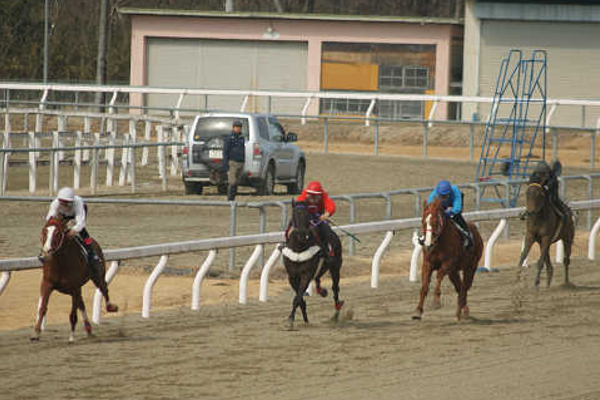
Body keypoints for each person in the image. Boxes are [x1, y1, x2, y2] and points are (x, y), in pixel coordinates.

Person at [43, 187, 102, 280]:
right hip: (62, 216)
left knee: (83, 233)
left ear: (71, 202)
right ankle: (46, 251)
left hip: (76, 215)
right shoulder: (55, 204)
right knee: (53, 232)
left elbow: (81, 223)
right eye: (61, 202)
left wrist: (73, 230)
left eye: (65, 202)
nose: (63, 204)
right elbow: (49, 219)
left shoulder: (78, 204)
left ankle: (92, 254)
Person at [295, 181, 341, 260]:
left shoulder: (324, 195)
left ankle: (329, 249)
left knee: (327, 230)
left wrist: (327, 214)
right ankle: (286, 243)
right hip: (304, 217)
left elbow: (331, 206)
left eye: (315, 195)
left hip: (318, 218)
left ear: (320, 195)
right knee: (292, 226)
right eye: (310, 194)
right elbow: (299, 207)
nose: (312, 197)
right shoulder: (303, 197)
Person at [426, 180, 473, 248]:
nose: (443, 198)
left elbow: (458, 207)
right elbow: (430, 207)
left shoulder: (455, 190)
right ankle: (426, 238)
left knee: (458, 218)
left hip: (452, 207)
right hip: (441, 208)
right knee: (431, 221)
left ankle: (467, 234)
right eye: (441, 196)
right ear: (438, 193)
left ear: (450, 192)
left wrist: (451, 211)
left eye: (445, 196)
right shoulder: (433, 195)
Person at [222, 121, 245, 201]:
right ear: (233, 128)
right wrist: (225, 165)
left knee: (237, 182)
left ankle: (233, 199)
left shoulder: (242, 138)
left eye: (239, 127)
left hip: (240, 162)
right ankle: (230, 199)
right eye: (236, 127)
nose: (238, 129)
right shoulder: (230, 138)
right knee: (232, 181)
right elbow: (225, 151)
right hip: (232, 162)